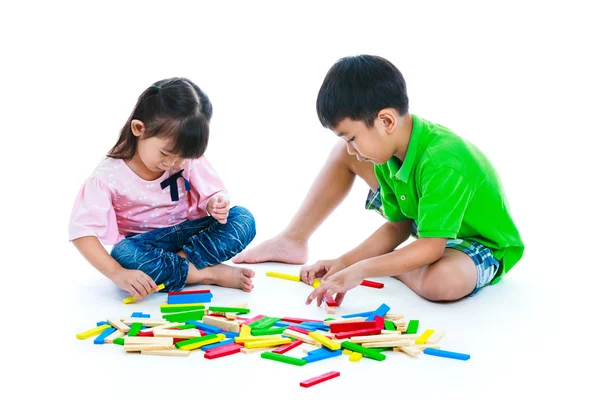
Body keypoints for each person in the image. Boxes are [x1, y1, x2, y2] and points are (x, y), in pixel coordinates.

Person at [232, 55, 524, 305]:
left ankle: (400, 264)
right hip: (427, 224)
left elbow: (432, 246)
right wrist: (344, 262)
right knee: (346, 155)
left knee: (443, 283)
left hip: (477, 242)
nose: (351, 148)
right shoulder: (387, 152)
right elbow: (399, 226)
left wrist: (362, 269)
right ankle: (293, 239)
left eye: (352, 137)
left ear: (386, 121)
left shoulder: (444, 162)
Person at [69, 78, 256, 299]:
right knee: (122, 254)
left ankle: (180, 269)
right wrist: (117, 274)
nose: (173, 164)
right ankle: (208, 274)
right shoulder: (107, 177)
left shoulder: (184, 158)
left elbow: (213, 194)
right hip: (145, 244)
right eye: (165, 154)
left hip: (189, 236)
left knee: (243, 219)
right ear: (139, 129)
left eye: (183, 157)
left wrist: (216, 203)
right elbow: (83, 232)